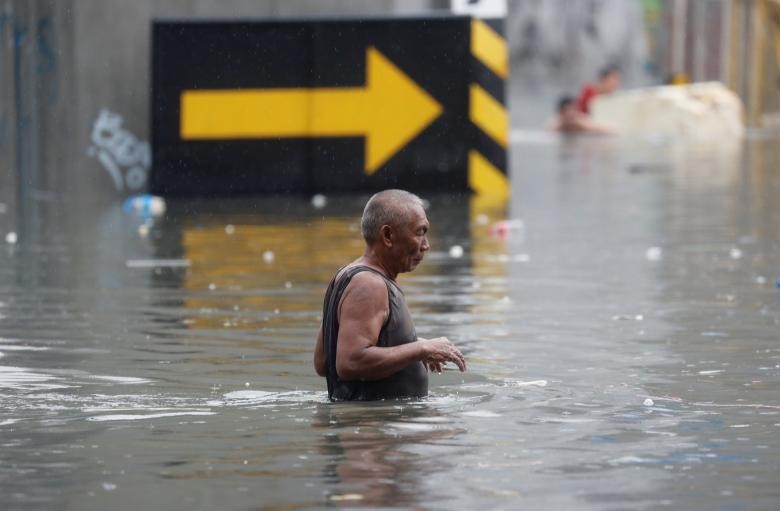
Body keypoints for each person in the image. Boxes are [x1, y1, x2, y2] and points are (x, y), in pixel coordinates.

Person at [313, 189, 467, 401]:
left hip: (367, 424)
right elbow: (349, 362)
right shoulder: (369, 285)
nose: (426, 245)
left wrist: (411, 343)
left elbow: (323, 362)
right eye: (420, 232)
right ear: (387, 236)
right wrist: (421, 349)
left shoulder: (345, 276)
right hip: (373, 427)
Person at [547, 96, 614, 135]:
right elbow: (546, 133)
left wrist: (583, 127)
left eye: (574, 110)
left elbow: (611, 131)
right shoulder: (556, 123)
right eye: (568, 110)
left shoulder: (583, 121)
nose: (571, 114)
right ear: (561, 112)